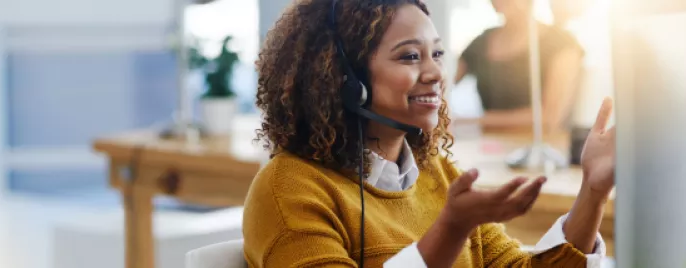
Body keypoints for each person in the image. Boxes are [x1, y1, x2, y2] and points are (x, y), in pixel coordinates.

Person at [243, 0, 615, 267]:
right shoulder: (288, 189)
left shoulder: (436, 174)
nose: (436, 73)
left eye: (437, 54)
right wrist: (451, 229)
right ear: (344, 79)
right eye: (409, 56)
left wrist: (593, 192)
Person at [454, 0, 584, 132]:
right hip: (489, 145)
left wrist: (472, 120)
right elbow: (441, 79)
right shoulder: (481, 42)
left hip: (541, 146)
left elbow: (549, 118)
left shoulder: (561, 43)